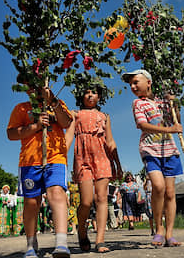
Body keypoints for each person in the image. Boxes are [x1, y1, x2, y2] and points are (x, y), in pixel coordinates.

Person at [7, 83, 73, 258]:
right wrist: (35, 126)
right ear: (26, 89)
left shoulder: (57, 103)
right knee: (31, 202)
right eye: (31, 86)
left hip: (56, 158)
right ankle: (31, 244)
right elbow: (12, 134)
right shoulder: (21, 108)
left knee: (57, 194)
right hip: (30, 161)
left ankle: (61, 242)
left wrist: (52, 100)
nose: (35, 90)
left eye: (39, 86)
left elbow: (66, 122)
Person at [122, 69, 183, 247]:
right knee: (158, 186)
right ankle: (159, 229)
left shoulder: (163, 101)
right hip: (150, 150)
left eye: (135, 82)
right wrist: (169, 130)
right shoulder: (138, 103)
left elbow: (175, 120)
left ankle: (170, 234)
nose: (133, 86)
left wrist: (175, 105)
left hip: (169, 150)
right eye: (131, 84)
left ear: (148, 82)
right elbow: (142, 125)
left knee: (170, 193)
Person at [65, 84, 123, 253]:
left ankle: (100, 240)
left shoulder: (104, 116)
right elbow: (67, 134)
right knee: (86, 201)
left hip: (103, 157)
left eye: (94, 92)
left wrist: (118, 164)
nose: (90, 95)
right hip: (82, 158)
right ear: (81, 96)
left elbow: (110, 141)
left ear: (99, 97)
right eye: (87, 92)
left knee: (102, 198)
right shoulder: (75, 114)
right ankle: (82, 231)